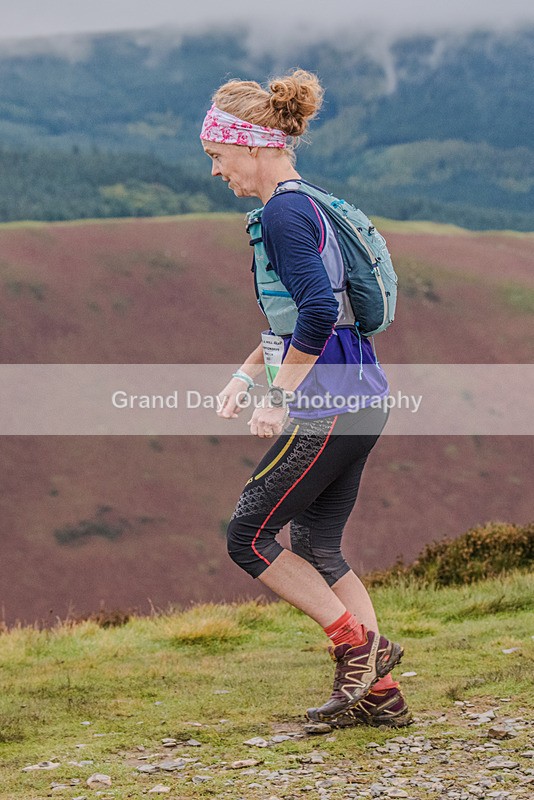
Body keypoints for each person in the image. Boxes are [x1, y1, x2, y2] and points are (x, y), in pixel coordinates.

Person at [200, 70, 411, 727]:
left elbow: (318, 312)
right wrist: (247, 376)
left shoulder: (283, 213)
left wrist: (277, 395)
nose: (216, 171)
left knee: (248, 536)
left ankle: (359, 650)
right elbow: (309, 316)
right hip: (363, 397)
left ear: (252, 145)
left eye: (218, 155)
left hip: (329, 404)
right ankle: (379, 696)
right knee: (319, 546)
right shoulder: (306, 203)